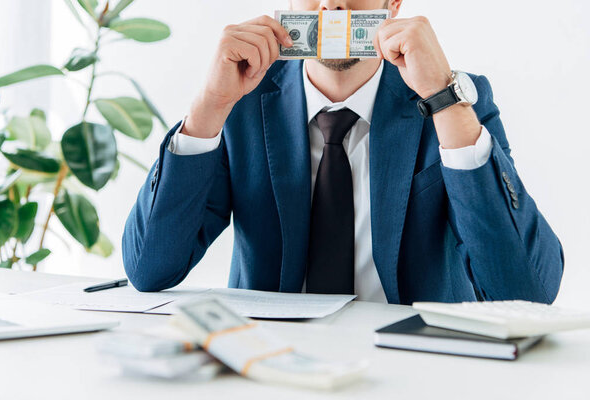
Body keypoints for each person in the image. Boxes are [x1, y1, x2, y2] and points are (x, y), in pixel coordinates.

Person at [122, 0, 564, 304]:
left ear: (392, 3)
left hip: (416, 373)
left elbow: (526, 289)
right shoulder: (238, 102)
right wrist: (207, 108)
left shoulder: (454, 100)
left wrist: (443, 98)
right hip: (268, 369)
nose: (333, 5)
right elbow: (149, 268)